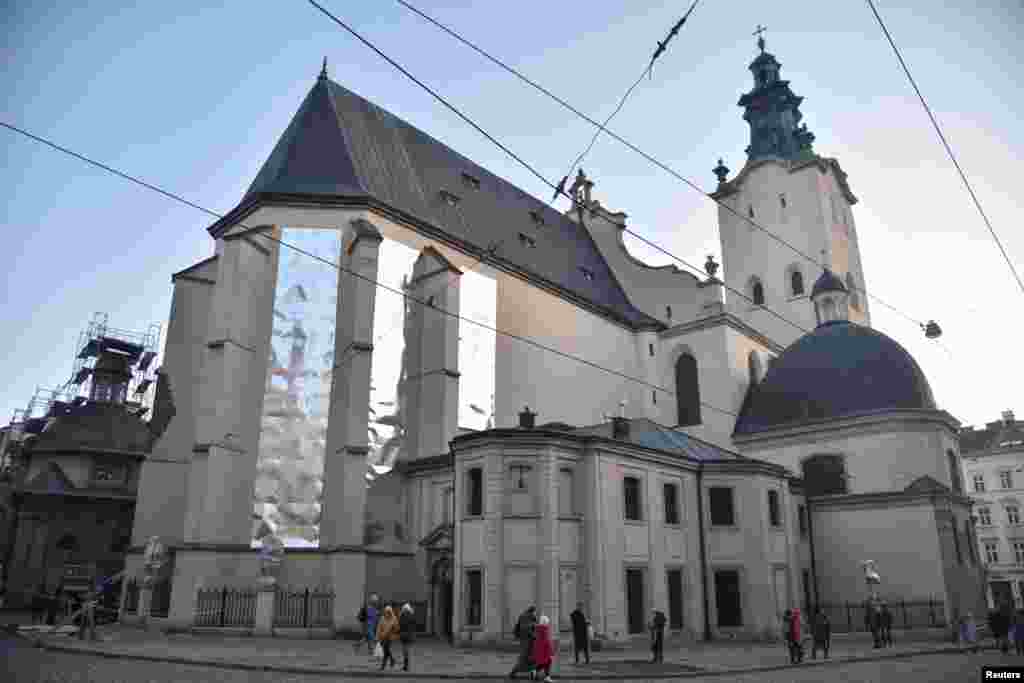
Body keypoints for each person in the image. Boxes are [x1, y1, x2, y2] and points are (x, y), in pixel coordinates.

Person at [509, 605, 538, 680]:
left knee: (531, 658)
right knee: (524, 658)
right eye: (535, 612)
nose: (536, 614)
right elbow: (526, 628)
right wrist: (534, 635)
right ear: (532, 611)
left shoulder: (528, 616)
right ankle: (513, 673)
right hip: (526, 641)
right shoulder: (526, 617)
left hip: (529, 640)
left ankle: (533, 675)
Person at [531, 615, 555, 683]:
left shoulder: (538, 629)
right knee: (548, 662)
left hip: (539, 649)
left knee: (544, 663)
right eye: (547, 622)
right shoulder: (544, 629)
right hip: (545, 650)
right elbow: (547, 641)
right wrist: (551, 651)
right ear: (545, 622)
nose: (548, 623)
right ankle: (546, 677)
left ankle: (535, 671)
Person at [375, 605, 400, 669]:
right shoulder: (382, 618)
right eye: (386, 611)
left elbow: (397, 628)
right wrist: (377, 635)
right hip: (383, 636)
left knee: (386, 651)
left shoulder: (394, 618)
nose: (387, 613)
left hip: (390, 637)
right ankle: (392, 660)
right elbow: (379, 627)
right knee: (386, 650)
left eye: (388, 612)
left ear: (391, 612)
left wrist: (394, 631)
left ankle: (383, 666)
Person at [398, 603, 415, 672]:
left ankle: (406, 666)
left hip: (404, 636)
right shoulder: (411, 616)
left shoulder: (402, 616)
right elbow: (414, 625)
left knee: (405, 651)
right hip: (410, 635)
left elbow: (400, 625)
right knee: (408, 651)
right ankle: (407, 666)